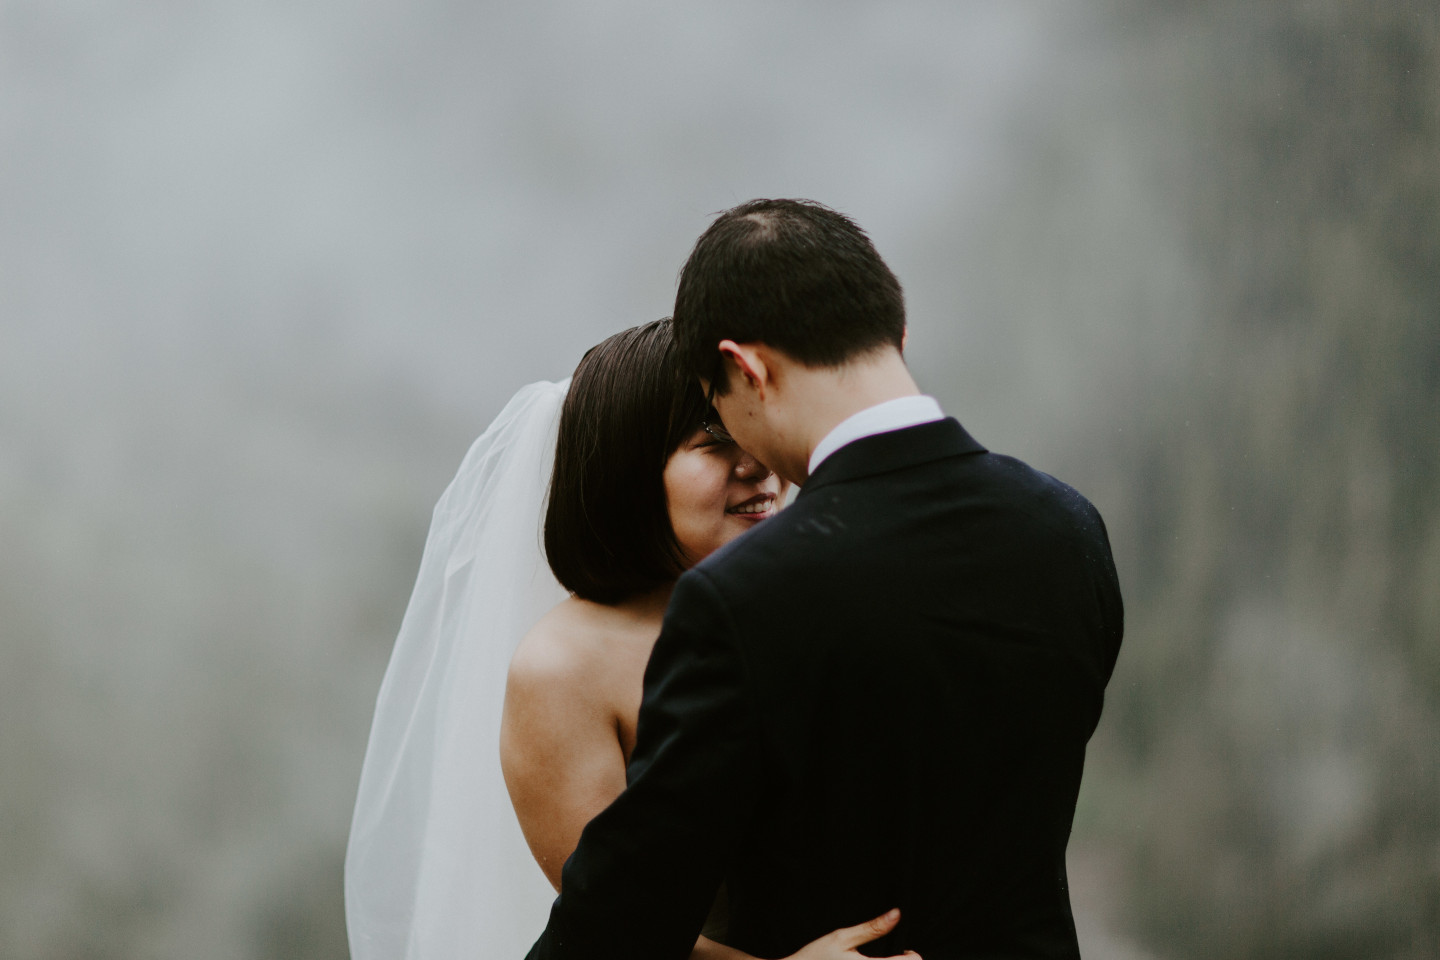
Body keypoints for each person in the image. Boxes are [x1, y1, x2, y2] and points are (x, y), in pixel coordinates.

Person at [523, 200, 1125, 960]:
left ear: (746, 370)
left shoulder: (743, 598)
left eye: (719, 410)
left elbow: (611, 936)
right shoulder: (1069, 530)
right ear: (896, 335)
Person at [345, 319, 915, 960]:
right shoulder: (562, 668)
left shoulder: (818, 600)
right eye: (714, 441)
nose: (756, 464)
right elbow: (616, 929)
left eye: (756, 429)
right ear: (631, 469)